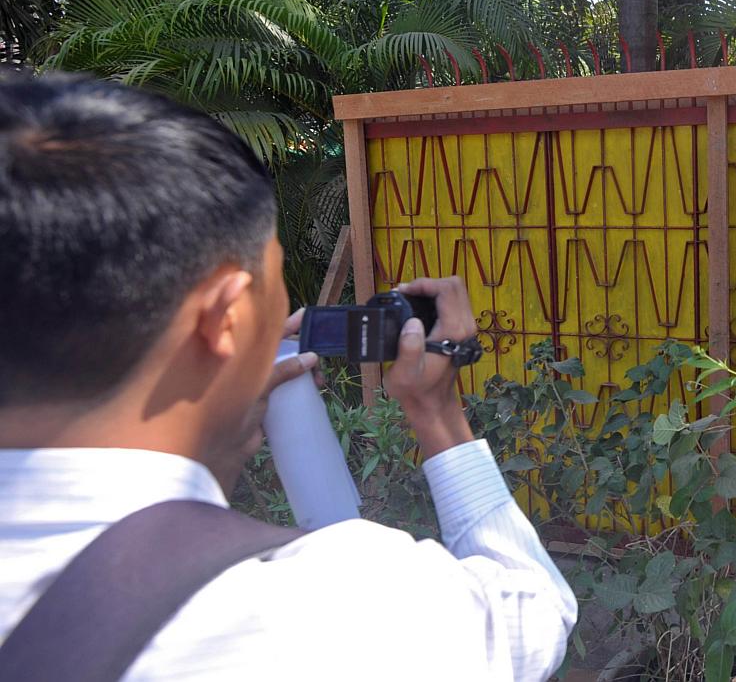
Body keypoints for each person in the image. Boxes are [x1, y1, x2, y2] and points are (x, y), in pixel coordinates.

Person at [0, 76, 577, 680]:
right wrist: (437, 413)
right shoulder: (325, 610)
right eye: (273, 288)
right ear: (225, 317)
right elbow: (530, 613)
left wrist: (210, 427)